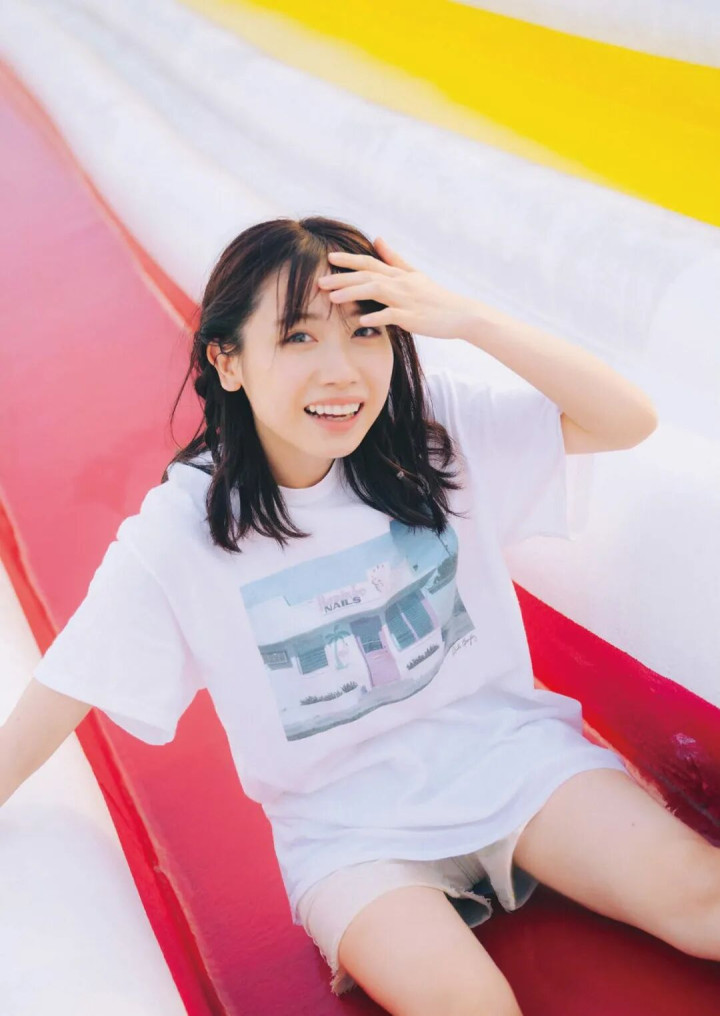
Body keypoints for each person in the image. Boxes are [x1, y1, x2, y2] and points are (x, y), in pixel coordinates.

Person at [2, 217, 717, 1016]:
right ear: (227, 360)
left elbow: (627, 419)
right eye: (298, 337)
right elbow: (63, 689)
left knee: (701, 899)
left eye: (366, 331)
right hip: (349, 835)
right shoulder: (187, 529)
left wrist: (466, 318)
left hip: (513, 757)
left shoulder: (431, 433)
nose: (341, 372)